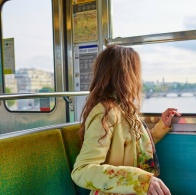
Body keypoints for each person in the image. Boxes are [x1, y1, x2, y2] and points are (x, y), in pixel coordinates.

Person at [71, 45, 181, 195]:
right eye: (136, 73)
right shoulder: (105, 113)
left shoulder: (126, 110)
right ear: (126, 75)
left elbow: (137, 147)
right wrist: (139, 180)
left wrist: (163, 125)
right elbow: (81, 170)